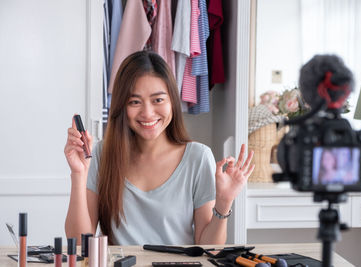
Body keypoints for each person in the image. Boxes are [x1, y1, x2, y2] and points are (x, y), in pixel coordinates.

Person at [64, 51, 254, 245]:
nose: (147, 113)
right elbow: (80, 245)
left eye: (158, 100)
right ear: (122, 106)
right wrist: (78, 174)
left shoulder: (198, 157)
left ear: (172, 101)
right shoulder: (103, 154)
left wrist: (223, 203)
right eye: (135, 102)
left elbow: (209, 251)